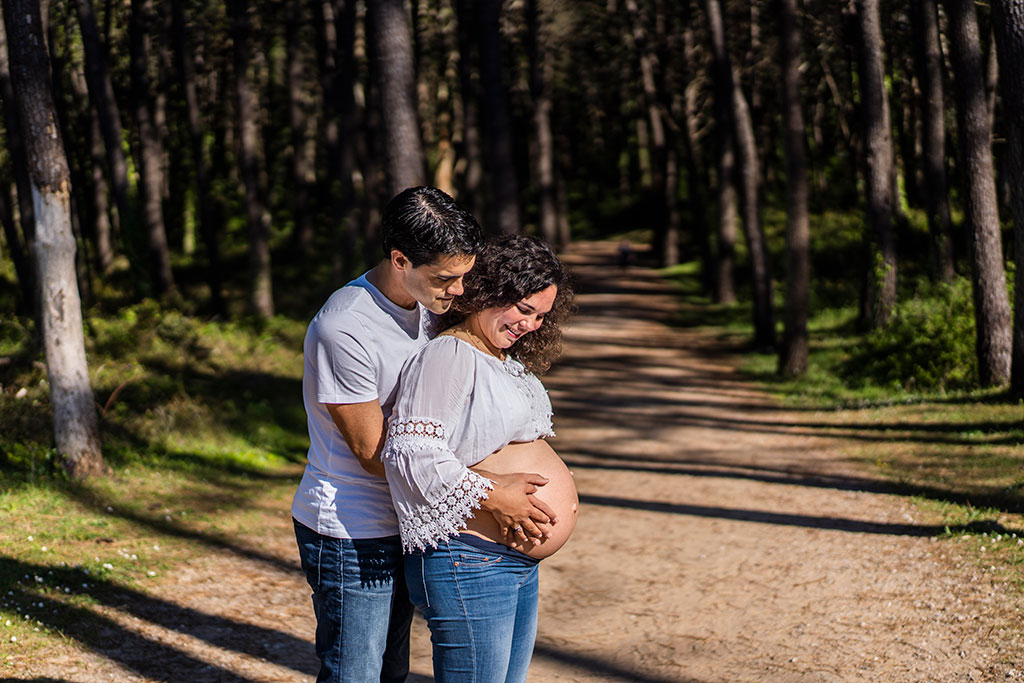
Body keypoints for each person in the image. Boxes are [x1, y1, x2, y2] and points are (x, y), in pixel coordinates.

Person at [290, 186, 488, 683]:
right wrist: (481, 483)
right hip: (352, 529)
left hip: (405, 517)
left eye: (462, 275)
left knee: (391, 672)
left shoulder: (429, 304)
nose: (458, 291)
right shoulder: (345, 327)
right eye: (446, 278)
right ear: (399, 259)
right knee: (354, 674)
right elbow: (372, 452)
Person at [381, 235, 578, 683]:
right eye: (522, 309)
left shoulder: (498, 357)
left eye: (540, 316)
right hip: (469, 560)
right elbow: (411, 453)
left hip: (507, 562)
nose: (529, 324)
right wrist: (493, 494)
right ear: (487, 291)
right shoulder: (449, 355)